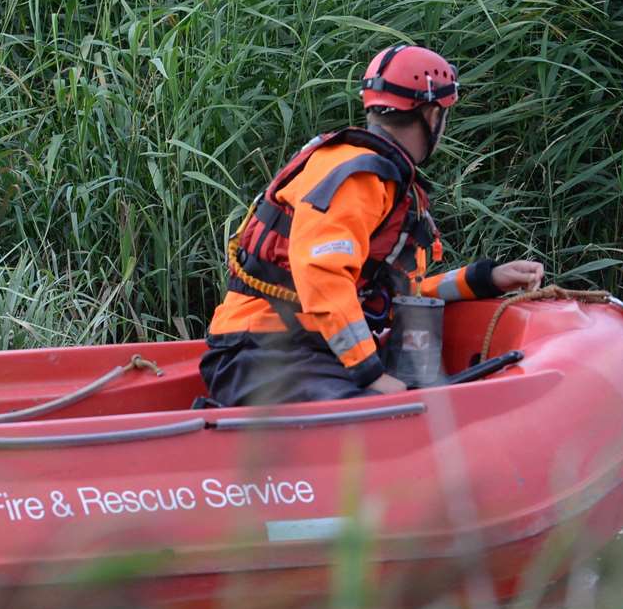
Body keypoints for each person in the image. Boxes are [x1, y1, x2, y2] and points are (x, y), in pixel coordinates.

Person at [202, 42, 544, 406]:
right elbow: (321, 272)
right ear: (431, 115)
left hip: (300, 350)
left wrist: (481, 279)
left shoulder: (377, 178)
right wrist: (370, 374)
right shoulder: (360, 176)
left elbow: (390, 300)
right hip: (264, 353)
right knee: (379, 417)